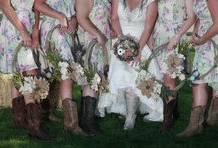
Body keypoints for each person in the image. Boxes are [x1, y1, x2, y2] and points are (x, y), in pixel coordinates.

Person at [169, 0, 218, 138]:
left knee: (199, 80)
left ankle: (201, 123)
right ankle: (206, 120)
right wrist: (195, 33)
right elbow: (200, 16)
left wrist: (202, 40)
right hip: (206, 38)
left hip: (217, 39)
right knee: (204, 78)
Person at [101, 0, 163, 130]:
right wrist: (122, 41)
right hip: (121, 42)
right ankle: (126, 111)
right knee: (120, 74)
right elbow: (114, 18)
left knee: (134, 75)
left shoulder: (150, 2)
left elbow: (148, 27)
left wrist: (138, 50)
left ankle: (130, 117)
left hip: (140, 41)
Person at [0, 0, 52, 140]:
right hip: (15, 25)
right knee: (29, 72)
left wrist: (35, 29)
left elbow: (37, 6)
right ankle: (34, 126)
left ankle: (20, 120)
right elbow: (5, 6)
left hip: (30, 23)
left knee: (22, 72)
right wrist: (23, 31)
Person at [34, 0, 85, 135]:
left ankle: (67, 122)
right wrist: (60, 16)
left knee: (64, 73)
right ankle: (68, 123)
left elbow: (73, 9)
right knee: (62, 72)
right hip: (52, 29)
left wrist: (74, 20)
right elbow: (38, 5)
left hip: (66, 32)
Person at [76, 0, 111, 135]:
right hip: (92, 42)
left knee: (96, 79)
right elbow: (81, 18)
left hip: (101, 42)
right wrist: (98, 34)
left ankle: (85, 117)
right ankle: (88, 121)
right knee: (92, 80)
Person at [153, 0, 189, 132]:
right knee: (165, 77)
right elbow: (155, 12)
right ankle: (175, 111)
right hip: (160, 34)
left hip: (175, 36)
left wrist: (177, 36)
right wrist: (151, 34)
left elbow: (192, 17)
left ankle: (167, 120)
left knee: (170, 78)